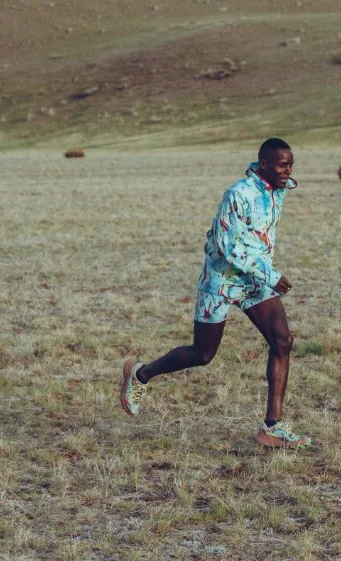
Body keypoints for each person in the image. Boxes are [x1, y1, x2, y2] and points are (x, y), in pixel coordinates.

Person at [120, 138, 310, 450]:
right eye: (281, 165)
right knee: (203, 354)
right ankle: (141, 374)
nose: (287, 171)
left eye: (291, 165)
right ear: (263, 164)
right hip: (221, 280)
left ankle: (272, 426)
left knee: (283, 341)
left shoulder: (277, 190)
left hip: (253, 280)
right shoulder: (238, 194)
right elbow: (228, 245)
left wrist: (263, 272)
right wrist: (271, 274)